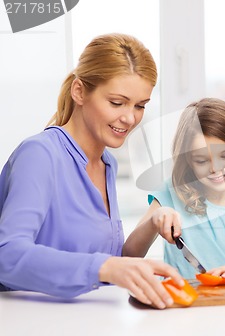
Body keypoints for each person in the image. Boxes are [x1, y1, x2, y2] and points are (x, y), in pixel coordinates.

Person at [0, 33, 183, 309]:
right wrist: (106, 267)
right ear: (79, 91)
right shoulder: (40, 155)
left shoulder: (107, 164)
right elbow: (7, 255)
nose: (130, 117)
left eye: (140, 105)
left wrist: (153, 221)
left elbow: (106, 259)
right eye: (117, 102)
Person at [123, 98, 225, 280]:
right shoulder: (171, 193)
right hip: (182, 303)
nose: (215, 168)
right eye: (202, 160)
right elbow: (130, 254)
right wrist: (152, 222)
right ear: (188, 161)